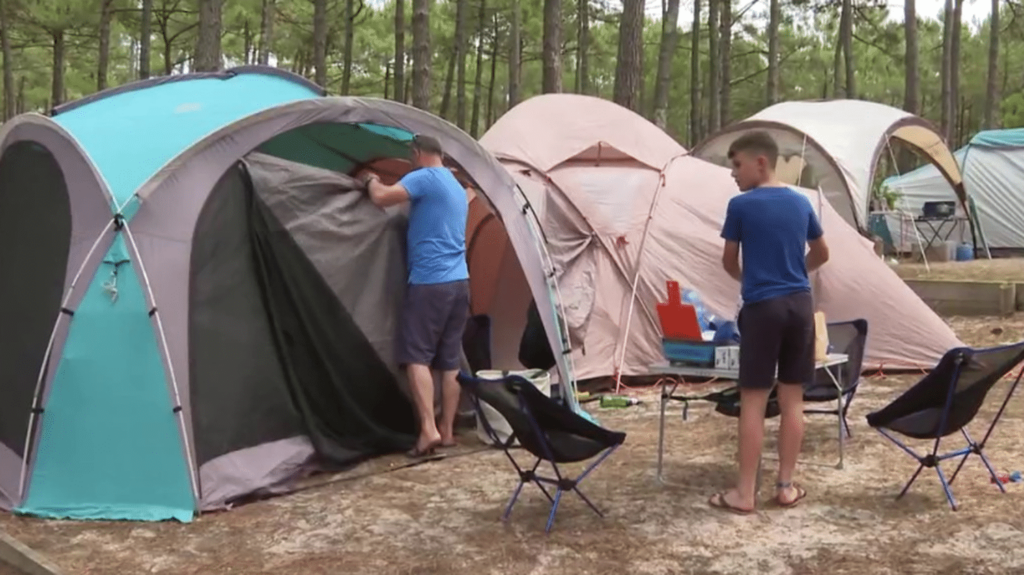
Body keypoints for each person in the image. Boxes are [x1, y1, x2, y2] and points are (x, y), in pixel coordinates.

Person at [708, 130, 830, 514]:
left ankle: (744, 494)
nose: (733, 174)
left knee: (753, 402)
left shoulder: (740, 206)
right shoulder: (801, 203)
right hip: (799, 305)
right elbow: (822, 252)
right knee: (794, 400)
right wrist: (795, 272)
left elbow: (728, 261)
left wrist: (755, 280)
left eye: (737, 164)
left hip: (764, 308)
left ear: (761, 162)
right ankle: (785, 487)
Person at [362, 134, 470, 458]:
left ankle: (428, 430)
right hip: (460, 281)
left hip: (430, 282)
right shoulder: (455, 185)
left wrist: (370, 180)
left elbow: (381, 198)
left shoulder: (424, 177)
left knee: (416, 357)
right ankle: (448, 432)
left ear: (417, 152)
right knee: (449, 360)